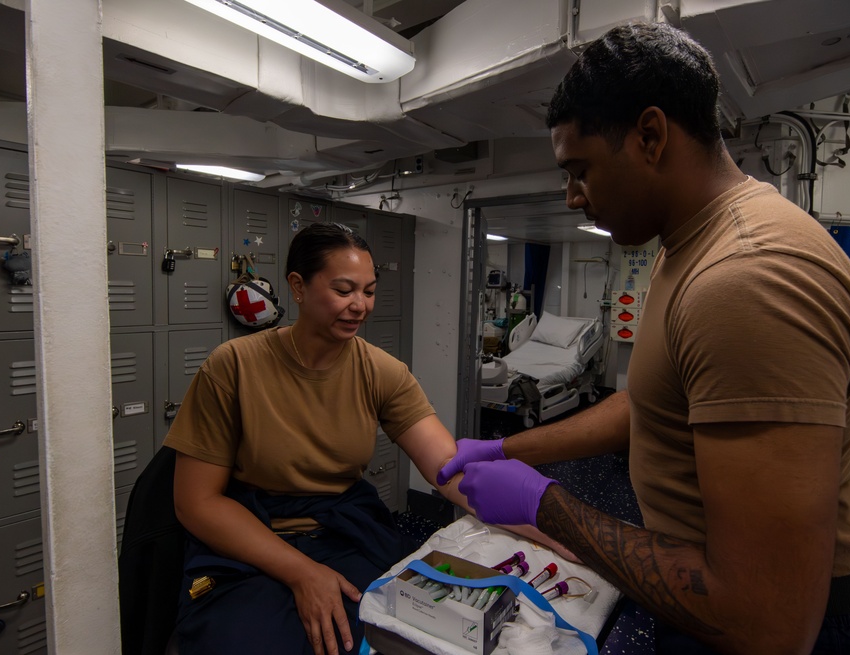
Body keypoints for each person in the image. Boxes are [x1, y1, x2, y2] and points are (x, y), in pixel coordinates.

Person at [437, 21, 850, 655]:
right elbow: (651, 404)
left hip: (806, 628)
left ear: (650, 135)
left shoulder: (746, 279)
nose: (570, 197)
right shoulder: (689, 247)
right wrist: (512, 452)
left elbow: (769, 623)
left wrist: (547, 507)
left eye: (580, 169)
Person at [165, 222, 567, 655]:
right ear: (297, 287)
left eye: (369, 291)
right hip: (252, 534)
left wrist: (559, 529)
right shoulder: (234, 366)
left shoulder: (382, 372)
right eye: (344, 290)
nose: (360, 306)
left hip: (343, 531)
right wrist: (303, 572)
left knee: (396, 633)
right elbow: (196, 502)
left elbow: (451, 472)